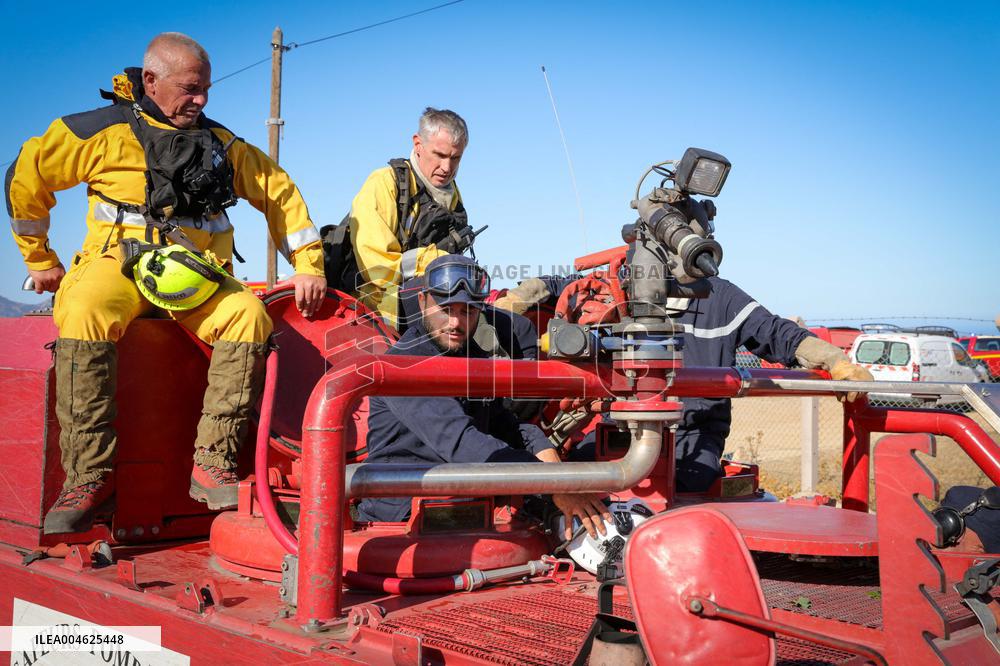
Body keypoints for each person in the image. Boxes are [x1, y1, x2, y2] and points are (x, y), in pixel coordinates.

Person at [5, 32, 326, 534]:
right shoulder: (98, 132)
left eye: (206, 91)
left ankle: (212, 464)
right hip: (118, 268)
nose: (200, 101)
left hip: (196, 277)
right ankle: (88, 476)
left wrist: (308, 263)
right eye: (190, 89)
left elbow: (279, 195)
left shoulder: (224, 146)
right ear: (151, 80)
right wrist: (39, 259)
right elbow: (27, 175)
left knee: (247, 315)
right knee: (84, 307)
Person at [496, 273, 874, 492]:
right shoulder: (622, 283)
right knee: (576, 482)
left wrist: (834, 360)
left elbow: (777, 334)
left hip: (693, 436)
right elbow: (566, 283)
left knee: (683, 491)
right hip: (621, 429)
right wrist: (517, 300)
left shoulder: (721, 298)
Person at [357, 255, 610, 539]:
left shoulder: (468, 358)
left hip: (460, 505)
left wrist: (554, 468)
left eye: (468, 312)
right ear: (423, 302)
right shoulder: (404, 365)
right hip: (400, 518)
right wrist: (553, 485)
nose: (456, 322)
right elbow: (462, 442)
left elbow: (507, 424)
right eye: (446, 309)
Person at [325, 108, 476, 327]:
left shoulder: (451, 196)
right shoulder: (384, 183)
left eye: (455, 158)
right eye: (440, 155)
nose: (447, 167)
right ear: (418, 145)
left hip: (433, 297)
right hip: (376, 306)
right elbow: (375, 269)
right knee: (476, 329)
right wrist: (435, 261)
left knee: (515, 326)